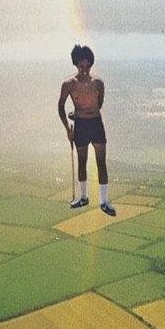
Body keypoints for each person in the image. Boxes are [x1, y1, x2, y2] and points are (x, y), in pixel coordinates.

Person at [58, 45, 116, 216]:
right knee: (82, 162)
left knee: (101, 163)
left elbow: (99, 104)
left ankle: (104, 202)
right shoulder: (69, 85)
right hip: (81, 125)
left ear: (91, 65)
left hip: (96, 124)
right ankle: (83, 197)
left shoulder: (98, 83)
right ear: (76, 64)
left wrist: (84, 113)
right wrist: (68, 128)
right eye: (81, 66)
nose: (84, 69)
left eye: (87, 66)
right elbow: (60, 106)